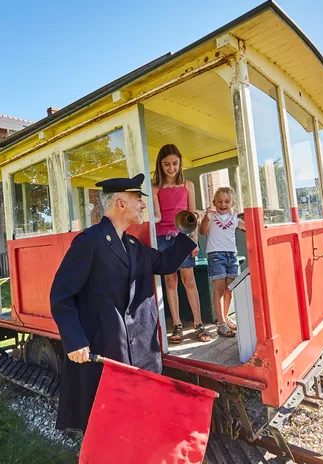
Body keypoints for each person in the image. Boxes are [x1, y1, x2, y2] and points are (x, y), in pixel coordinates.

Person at [50, 173, 196, 433]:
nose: (142, 205)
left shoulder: (133, 244)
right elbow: (61, 295)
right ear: (120, 204)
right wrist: (75, 340)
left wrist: (187, 231)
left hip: (142, 351)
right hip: (107, 350)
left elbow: (165, 263)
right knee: (108, 424)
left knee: (140, 420)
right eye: (138, 199)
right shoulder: (89, 242)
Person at [152, 144, 211, 344]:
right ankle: (177, 325)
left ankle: (198, 323)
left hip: (184, 237)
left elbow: (193, 215)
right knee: (171, 282)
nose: (171, 168)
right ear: (160, 165)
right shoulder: (155, 188)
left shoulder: (188, 185)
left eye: (175, 163)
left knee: (190, 281)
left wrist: (194, 241)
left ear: (180, 163)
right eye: (167, 164)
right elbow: (157, 217)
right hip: (163, 239)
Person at [199, 186, 245, 337]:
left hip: (232, 256)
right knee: (218, 290)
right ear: (214, 202)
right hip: (216, 255)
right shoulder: (211, 217)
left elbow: (250, 228)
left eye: (226, 201)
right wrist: (206, 217)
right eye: (219, 201)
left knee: (229, 289)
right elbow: (203, 231)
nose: (223, 204)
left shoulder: (235, 219)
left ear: (232, 203)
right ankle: (220, 323)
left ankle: (225, 318)